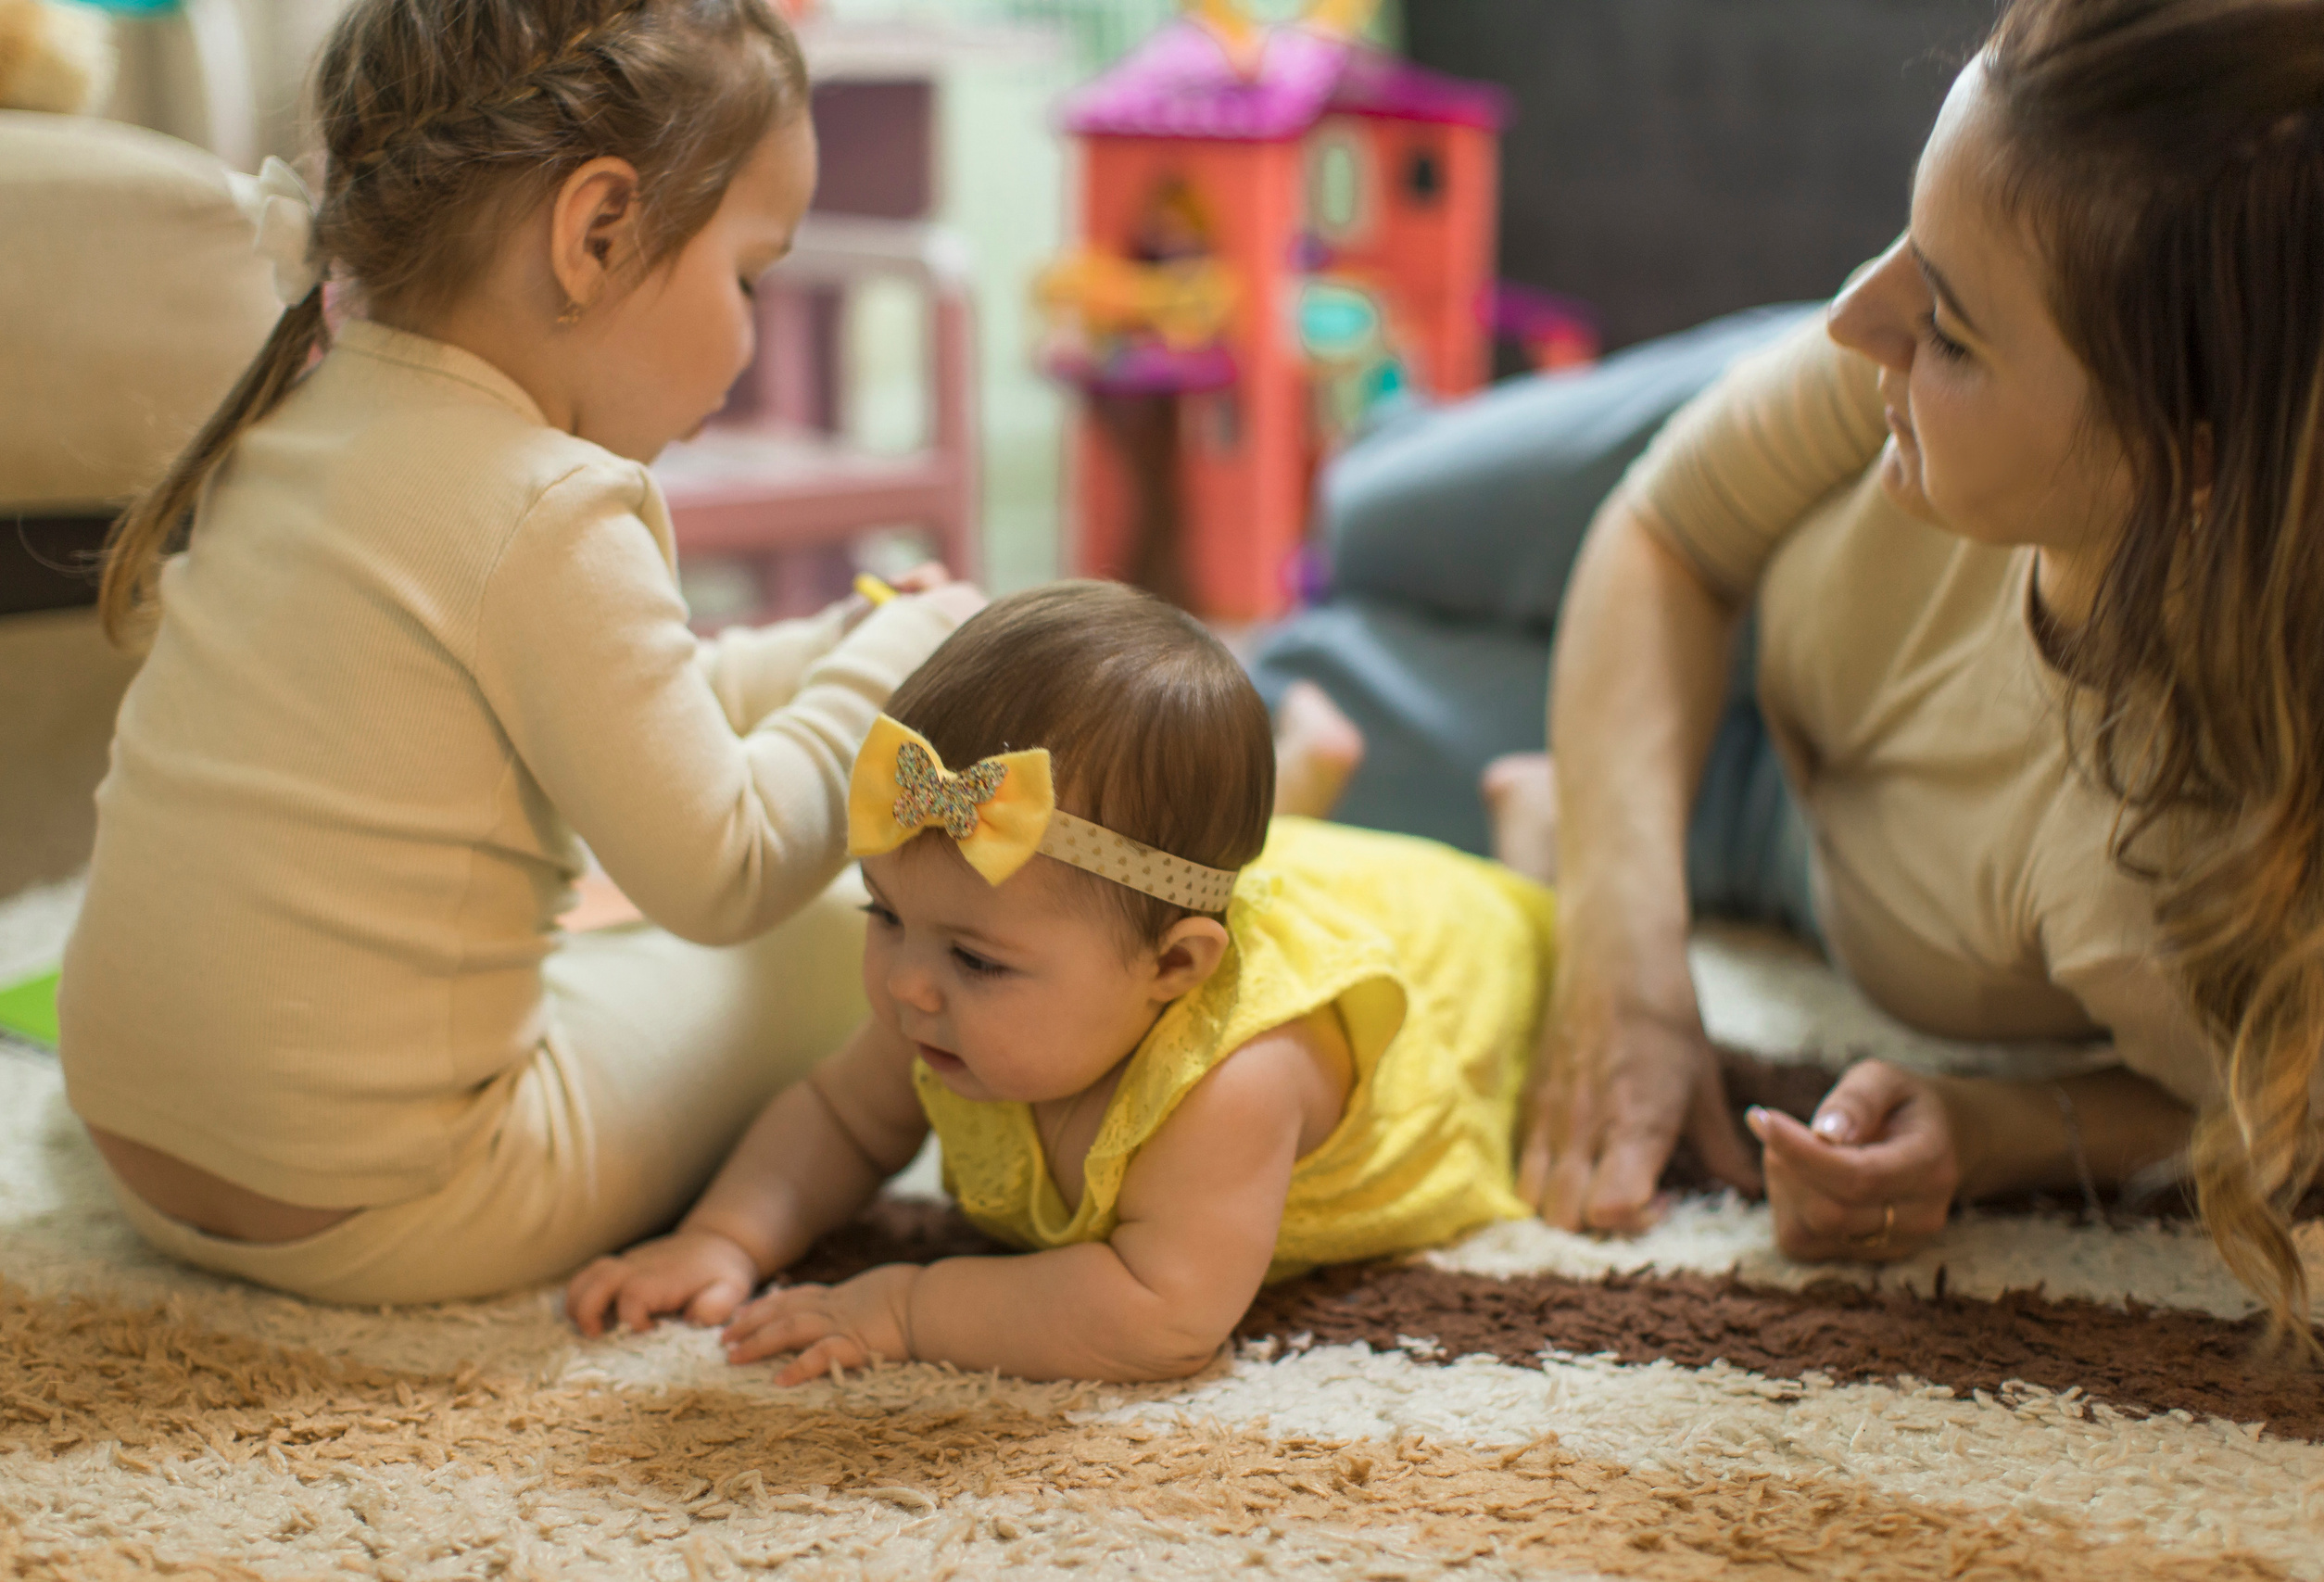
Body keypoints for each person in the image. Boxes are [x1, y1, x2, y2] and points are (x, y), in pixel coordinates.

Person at [57, 0, 982, 1306]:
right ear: (599, 231)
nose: (753, 328)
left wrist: (828, 649)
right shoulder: (549, 507)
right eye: (750, 274)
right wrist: (902, 662)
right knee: (840, 947)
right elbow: (721, 868)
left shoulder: (302, 417)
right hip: (402, 1206)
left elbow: (606, 722)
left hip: (137, 1146)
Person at [1505, 0, 2324, 1339]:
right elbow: (1669, 532)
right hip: (1741, 507)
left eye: (1954, 327)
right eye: (1909, 241)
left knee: (1274, 707)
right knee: (1355, 519)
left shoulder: (2193, 868)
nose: (1864, 310)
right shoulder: (1879, 348)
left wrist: (1990, 1125)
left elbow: (2297, 1103)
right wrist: (1621, 953)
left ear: (2189, 455)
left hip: (1773, 836)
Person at [566, 581, 1552, 1383]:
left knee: (1539, 929)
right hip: (1177, 900)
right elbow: (839, 1117)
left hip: (1443, 944)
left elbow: (1160, 1314)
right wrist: (724, 1238)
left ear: (1175, 969)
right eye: (885, 914)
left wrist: (907, 1306)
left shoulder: (1233, 1081)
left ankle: (1536, 829)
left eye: (975, 958)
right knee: (1185, 866)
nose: (907, 983)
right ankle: (1301, 777)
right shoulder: (955, 987)